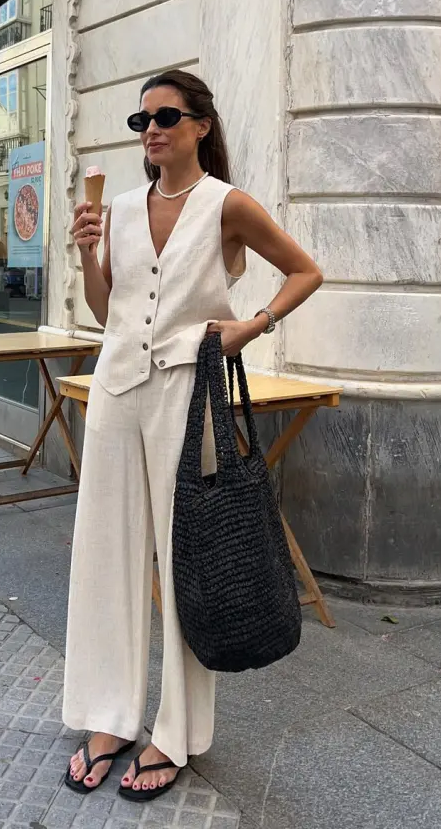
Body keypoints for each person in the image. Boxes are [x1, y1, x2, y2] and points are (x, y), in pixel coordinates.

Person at [64, 69, 323, 801]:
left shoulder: (226, 205)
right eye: (141, 119)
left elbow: (305, 271)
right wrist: (88, 251)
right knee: (105, 552)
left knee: (191, 561)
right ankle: (107, 716)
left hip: (188, 391)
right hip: (116, 388)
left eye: (167, 116)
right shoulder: (115, 206)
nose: (152, 129)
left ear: (201, 125)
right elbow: (103, 308)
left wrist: (251, 327)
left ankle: (174, 733)